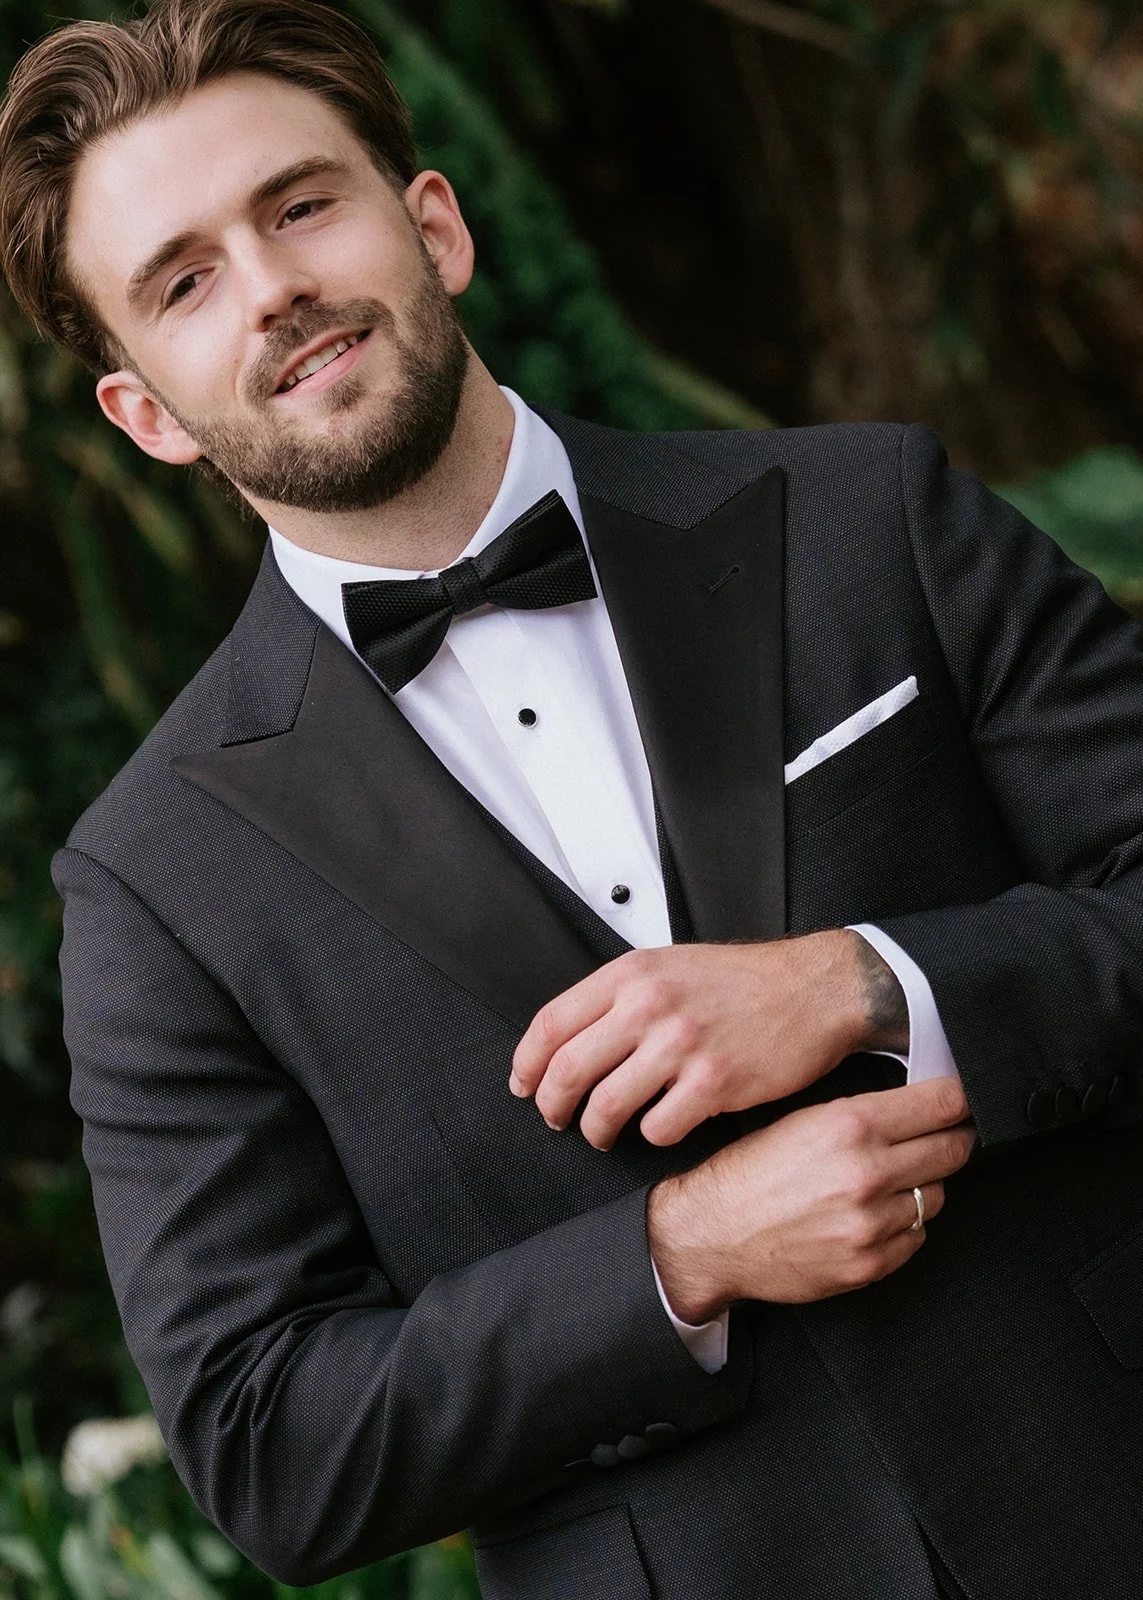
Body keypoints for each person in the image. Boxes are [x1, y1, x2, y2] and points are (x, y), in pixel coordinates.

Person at [3, 1, 1141, 1595]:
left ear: (435, 225)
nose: (273, 291)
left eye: (300, 204)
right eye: (183, 282)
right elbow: (269, 1440)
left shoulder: (871, 517)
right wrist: (673, 1258)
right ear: (143, 411)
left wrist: (869, 983)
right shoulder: (154, 880)